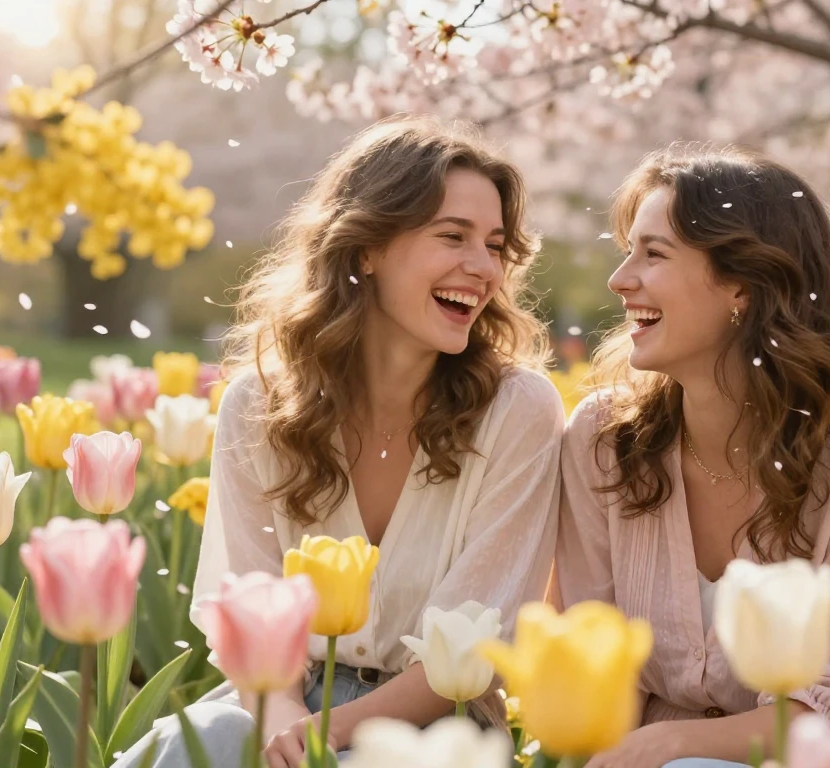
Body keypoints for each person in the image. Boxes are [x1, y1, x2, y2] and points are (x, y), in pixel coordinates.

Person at [114, 116, 564, 768]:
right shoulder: (260, 408)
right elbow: (248, 609)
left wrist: (328, 731)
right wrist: (287, 722)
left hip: (443, 731)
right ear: (365, 249)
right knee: (194, 746)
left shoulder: (517, 411)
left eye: (495, 245)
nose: (483, 267)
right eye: (453, 237)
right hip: (277, 707)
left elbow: (473, 648)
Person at [555, 145, 830, 768]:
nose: (620, 279)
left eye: (653, 253)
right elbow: (591, 654)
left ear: (742, 283)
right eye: (626, 251)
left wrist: (674, 742)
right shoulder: (605, 440)